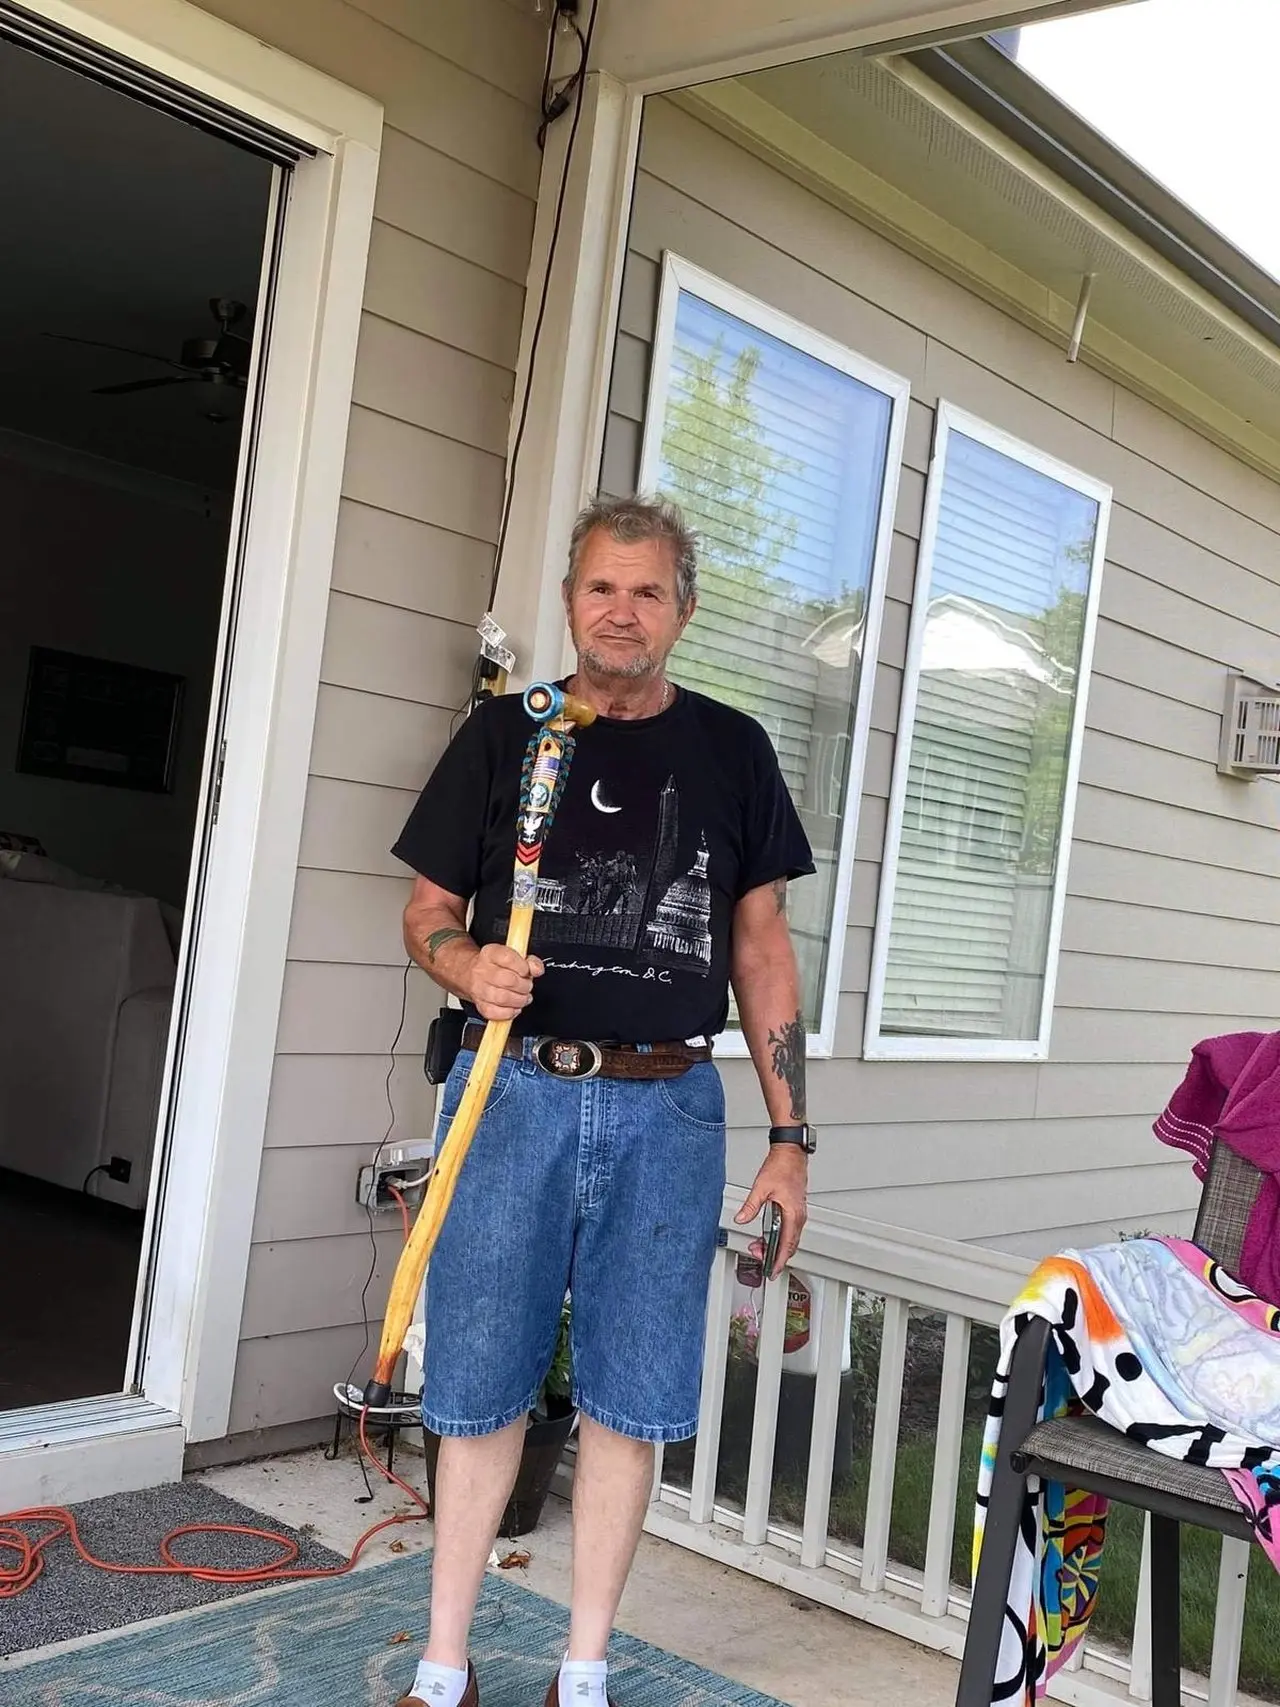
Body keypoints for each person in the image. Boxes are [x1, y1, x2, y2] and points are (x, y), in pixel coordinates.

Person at [390, 495, 817, 1707]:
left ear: (682, 610)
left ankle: (583, 1671)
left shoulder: (730, 751)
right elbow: (425, 910)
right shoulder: (502, 737)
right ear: (569, 599)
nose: (618, 611)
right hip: (507, 1094)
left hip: (668, 1102)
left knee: (632, 1394)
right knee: (477, 1382)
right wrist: (462, 963)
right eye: (597, 588)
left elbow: (761, 946)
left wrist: (789, 1140)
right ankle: (444, 1664)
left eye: (645, 590)